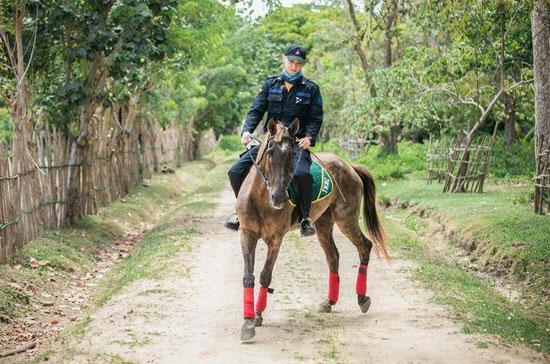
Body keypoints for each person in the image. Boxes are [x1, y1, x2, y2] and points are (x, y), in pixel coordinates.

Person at [225, 44, 323, 237]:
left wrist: (309, 137)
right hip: (270, 143)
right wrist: (246, 130)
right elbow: (256, 110)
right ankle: (240, 212)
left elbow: (315, 118)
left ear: (302, 65)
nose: (294, 66)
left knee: (303, 175)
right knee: (235, 171)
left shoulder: (311, 89)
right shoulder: (270, 85)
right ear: (283, 59)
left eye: (298, 63)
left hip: (295, 144)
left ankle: (304, 219)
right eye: (291, 62)